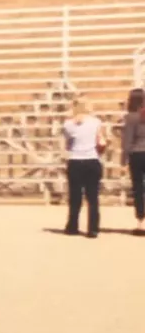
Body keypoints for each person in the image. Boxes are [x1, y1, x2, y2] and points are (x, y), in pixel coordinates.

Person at [63, 97, 106, 237]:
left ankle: (72, 226)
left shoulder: (68, 124)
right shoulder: (96, 122)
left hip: (75, 160)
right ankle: (93, 228)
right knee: (93, 197)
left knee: (75, 196)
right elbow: (100, 140)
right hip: (92, 159)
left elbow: (68, 144)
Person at [121, 87, 145, 233]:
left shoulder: (130, 117)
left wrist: (123, 160)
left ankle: (141, 221)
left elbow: (127, 141)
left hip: (136, 154)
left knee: (138, 188)